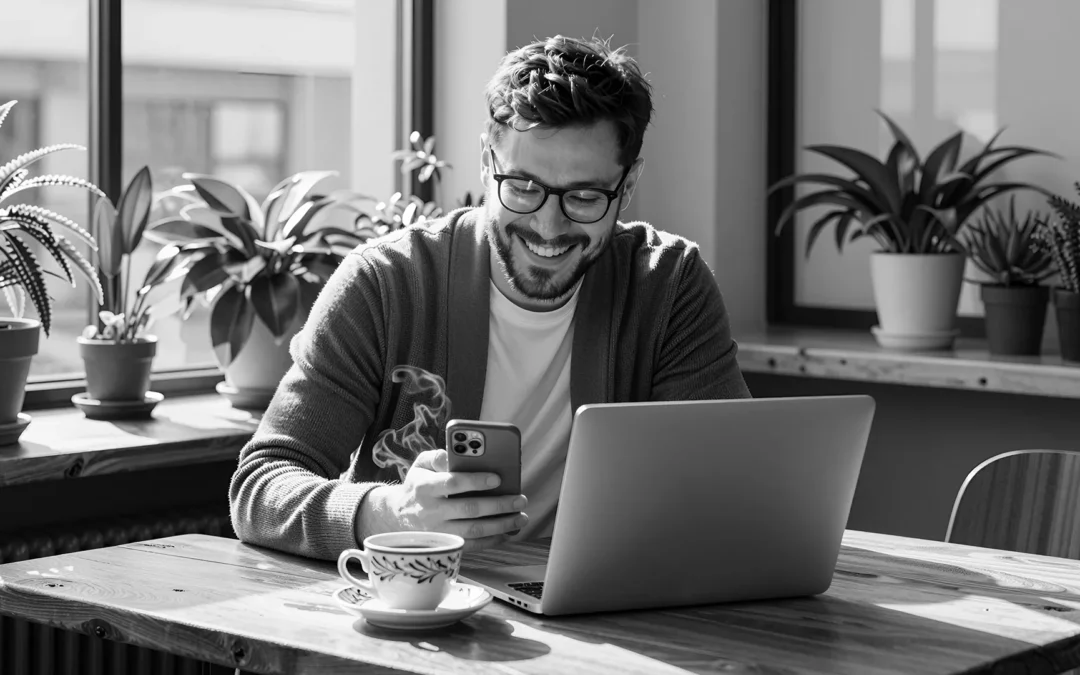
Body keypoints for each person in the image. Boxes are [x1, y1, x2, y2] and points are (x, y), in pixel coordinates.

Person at [229, 34, 751, 562]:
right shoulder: (385, 284)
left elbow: (733, 481)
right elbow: (260, 488)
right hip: (427, 611)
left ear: (628, 184)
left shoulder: (668, 287)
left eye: (585, 197)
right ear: (486, 161)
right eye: (522, 187)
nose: (549, 227)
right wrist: (391, 513)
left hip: (610, 609)